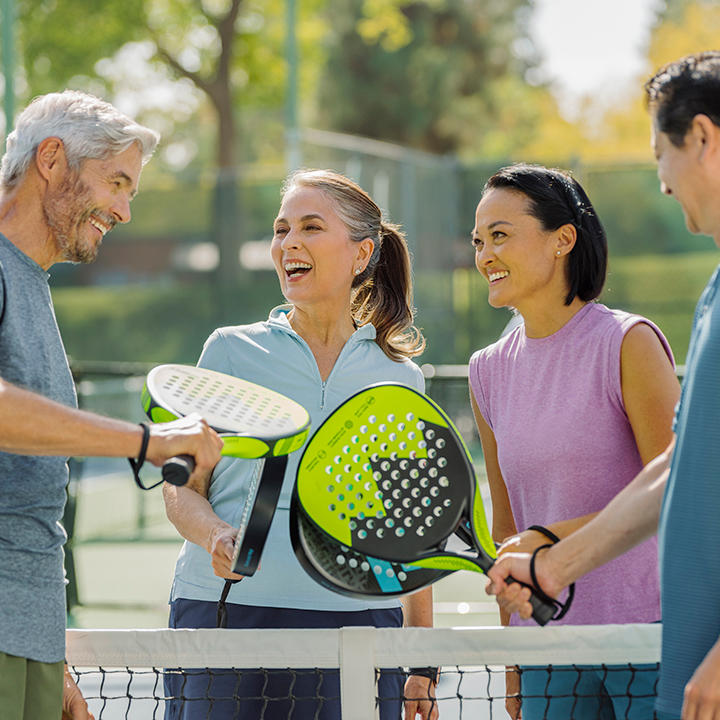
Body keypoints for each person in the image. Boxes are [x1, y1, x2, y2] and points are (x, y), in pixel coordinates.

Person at [485, 51, 720, 720]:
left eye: (659, 155)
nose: (663, 182)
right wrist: (555, 568)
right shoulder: (713, 300)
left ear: (701, 138)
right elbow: (677, 471)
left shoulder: (629, 338)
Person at [162, 168, 438, 720]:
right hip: (226, 617)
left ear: (361, 255)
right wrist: (215, 533)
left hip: (357, 629)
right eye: (281, 229)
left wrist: (422, 663)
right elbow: (181, 489)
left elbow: (409, 535)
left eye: (311, 227)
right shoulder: (229, 351)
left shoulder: (400, 377)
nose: (289, 243)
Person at [0, 90, 223, 720]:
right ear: (51, 159)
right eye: (116, 183)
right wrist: (150, 442)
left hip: (28, 639)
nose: (124, 211)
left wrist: (51, 657)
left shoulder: (30, 284)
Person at [468, 163, 680, 718]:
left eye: (500, 235)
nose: (485, 255)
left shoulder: (628, 343)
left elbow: (680, 495)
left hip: (649, 638)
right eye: (478, 241)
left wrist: (549, 540)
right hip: (546, 649)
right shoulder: (485, 371)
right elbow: (506, 529)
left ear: (563, 239)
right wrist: (512, 654)